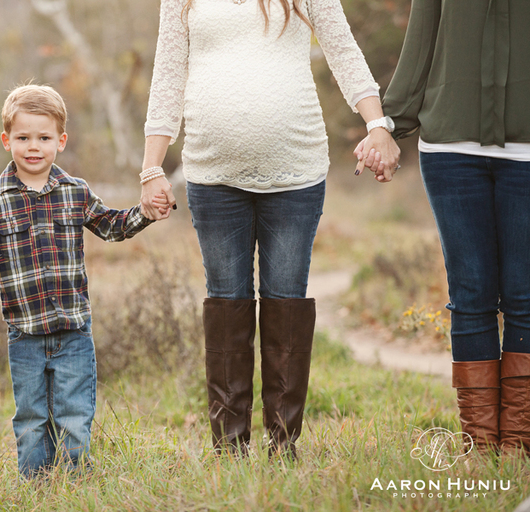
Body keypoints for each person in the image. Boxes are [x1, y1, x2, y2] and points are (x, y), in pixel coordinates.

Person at [139, 0, 401, 457]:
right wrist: (151, 168)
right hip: (212, 173)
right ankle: (230, 448)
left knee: (286, 300)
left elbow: (342, 50)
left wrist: (377, 125)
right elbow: (167, 73)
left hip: (296, 171)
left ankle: (284, 446)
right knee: (226, 301)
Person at [0, 85, 156, 477]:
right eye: (23, 137)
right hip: (24, 334)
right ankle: (36, 488)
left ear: (61, 141)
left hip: (74, 332)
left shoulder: (75, 192)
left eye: (44, 138)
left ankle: (74, 484)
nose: (34, 147)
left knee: (74, 416)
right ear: (6, 140)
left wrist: (145, 211)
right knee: (30, 419)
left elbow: (112, 227)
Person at [371, 0, 530, 454]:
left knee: (526, 295)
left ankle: (518, 443)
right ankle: (480, 446)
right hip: (450, 149)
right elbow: (421, 39)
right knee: (471, 294)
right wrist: (388, 125)